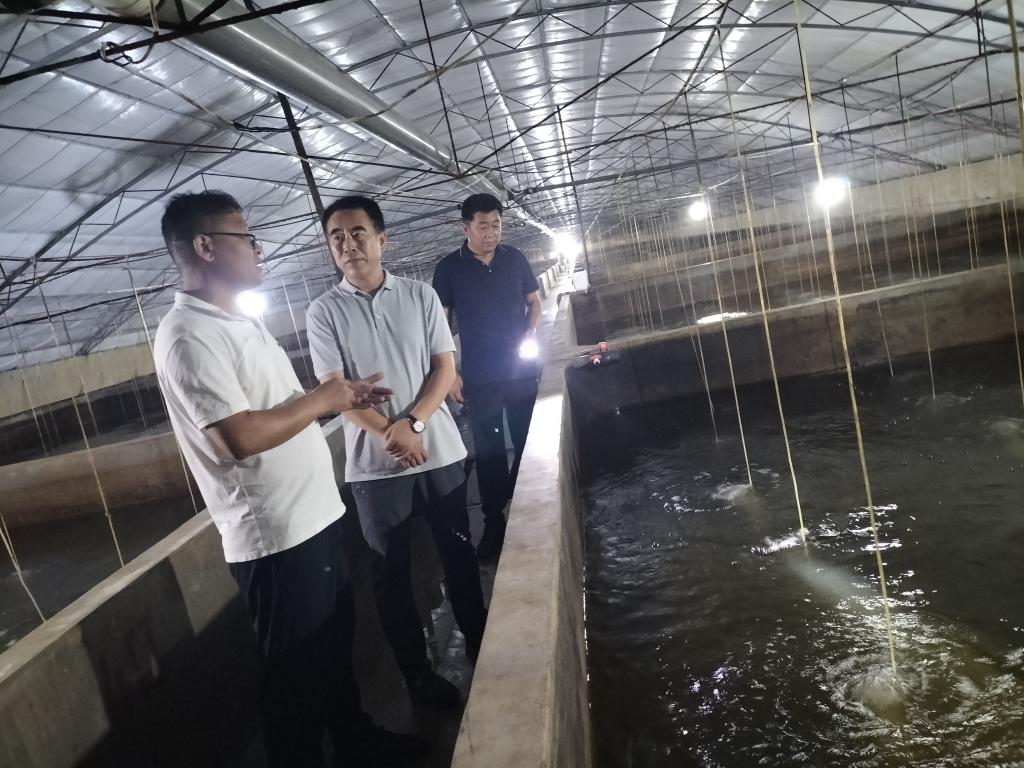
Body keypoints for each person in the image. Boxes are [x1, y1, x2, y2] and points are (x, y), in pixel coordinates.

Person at [153, 191, 425, 768]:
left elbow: (277, 410)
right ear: (205, 247)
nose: (258, 249)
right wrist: (324, 397)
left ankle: (355, 741)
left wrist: (339, 398)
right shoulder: (188, 335)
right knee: (294, 684)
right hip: (276, 538)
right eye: (245, 237)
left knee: (333, 654)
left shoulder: (238, 321)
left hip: (313, 519)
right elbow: (237, 437)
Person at [305, 196, 488, 711]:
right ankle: (417, 676)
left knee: (458, 551)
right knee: (390, 574)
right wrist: (392, 433)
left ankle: (480, 641)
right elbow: (335, 391)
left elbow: (444, 368)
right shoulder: (323, 311)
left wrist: (414, 423)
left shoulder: (420, 295)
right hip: (375, 467)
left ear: (382, 240)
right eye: (337, 237)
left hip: (438, 450)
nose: (348, 244)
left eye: (357, 233)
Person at [432, 193, 542, 558]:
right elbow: (440, 325)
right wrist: (450, 373)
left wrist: (530, 331)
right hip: (480, 377)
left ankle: (527, 503)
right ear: (466, 228)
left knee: (528, 442)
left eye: (496, 225)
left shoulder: (515, 258)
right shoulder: (449, 268)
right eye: (483, 226)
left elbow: (534, 302)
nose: (491, 233)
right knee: (490, 452)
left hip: (521, 370)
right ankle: (494, 522)